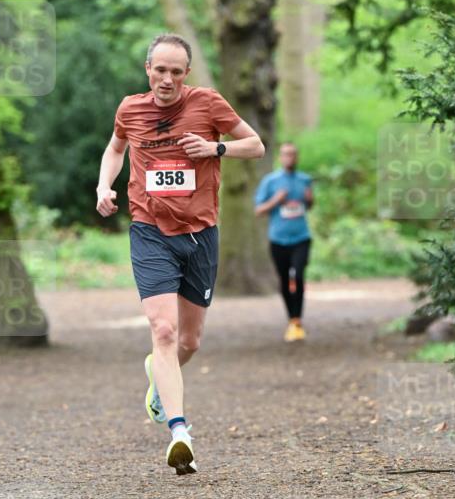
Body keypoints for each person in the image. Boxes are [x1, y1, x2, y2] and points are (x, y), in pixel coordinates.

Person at [96, 33, 265, 475]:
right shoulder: (130, 109)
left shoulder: (208, 104)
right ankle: (179, 431)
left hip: (200, 234)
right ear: (148, 70)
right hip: (149, 231)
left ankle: (158, 376)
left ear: (186, 74)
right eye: (160, 70)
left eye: (176, 71)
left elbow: (256, 144)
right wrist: (104, 185)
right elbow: (116, 148)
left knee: (189, 341)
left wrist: (215, 148)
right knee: (164, 330)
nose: (167, 79)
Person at [254, 142, 313, 342]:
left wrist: (310, 199)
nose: (290, 158)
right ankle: (291, 319)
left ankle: (297, 320)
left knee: (298, 274)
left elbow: (309, 205)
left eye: (294, 155)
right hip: (278, 239)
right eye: (286, 155)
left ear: (297, 157)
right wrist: (276, 201)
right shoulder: (270, 181)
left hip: (301, 237)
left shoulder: (305, 180)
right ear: (280, 157)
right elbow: (259, 210)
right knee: (284, 280)